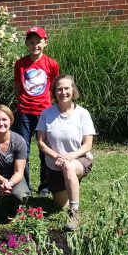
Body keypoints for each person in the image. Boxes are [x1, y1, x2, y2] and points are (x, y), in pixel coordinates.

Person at [37, 74, 96, 231]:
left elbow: (88, 144)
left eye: (66, 88)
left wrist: (69, 157)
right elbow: (41, 142)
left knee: (69, 167)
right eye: (59, 89)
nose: (63, 92)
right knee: (60, 206)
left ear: (73, 90)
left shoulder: (83, 113)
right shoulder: (47, 114)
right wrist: (57, 156)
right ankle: (71, 185)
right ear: (54, 92)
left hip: (78, 160)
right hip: (54, 164)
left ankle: (74, 213)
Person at [12, 26, 59, 197]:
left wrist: (51, 106)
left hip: (44, 112)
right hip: (24, 111)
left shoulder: (51, 64)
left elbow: (53, 87)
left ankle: (45, 186)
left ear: (45, 42)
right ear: (26, 44)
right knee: (23, 149)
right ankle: (23, 183)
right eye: (31, 42)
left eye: (38, 42)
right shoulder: (21, 64)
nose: (35, 45)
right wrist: (20, 104)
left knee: (44, 149)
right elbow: (18, 86)